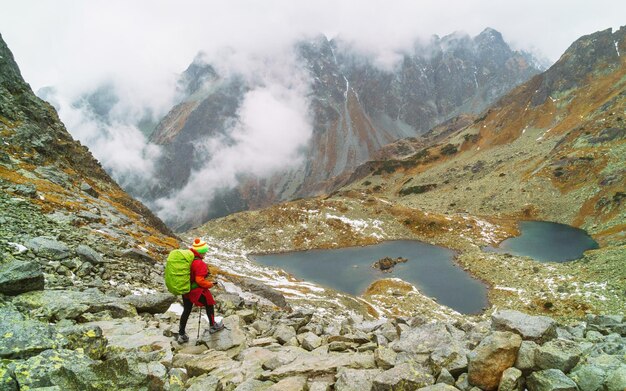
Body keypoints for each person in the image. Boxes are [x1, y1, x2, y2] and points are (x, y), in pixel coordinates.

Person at [177, 238, 224, 343]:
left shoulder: (189, 259)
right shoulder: (199, 263)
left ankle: (181, 334)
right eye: (205, 251)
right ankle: (213, 326)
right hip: (196, 291)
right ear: (201, 251)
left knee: (187, 310)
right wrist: (210, 284)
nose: (206, 253)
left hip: (186, 289)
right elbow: (199, 281)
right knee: (209, 303)